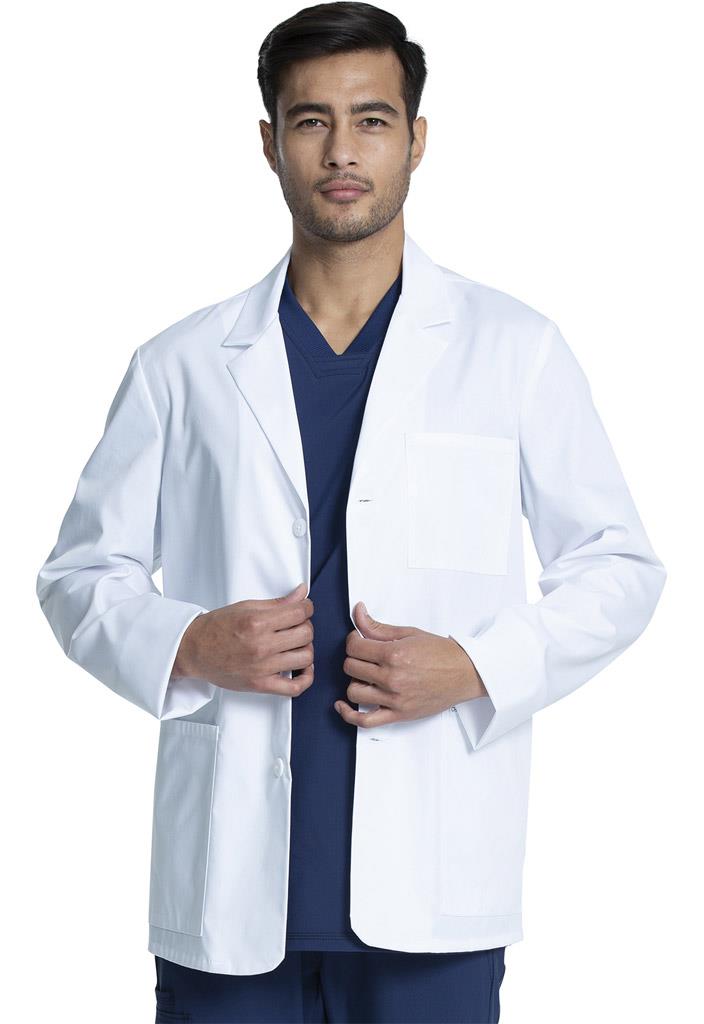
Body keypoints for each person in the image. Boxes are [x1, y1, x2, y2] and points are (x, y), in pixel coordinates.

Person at [35, 3, 667, 1022]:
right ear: (268, 143)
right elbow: (77, 576)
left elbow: (617, 566)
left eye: (371, 120)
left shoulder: (513, 349)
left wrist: (475, 665)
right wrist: (188, 641)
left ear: (416, 140)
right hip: (228, 890)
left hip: (434, 891)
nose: (341, 151)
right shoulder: (180, 364)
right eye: (310, 121)